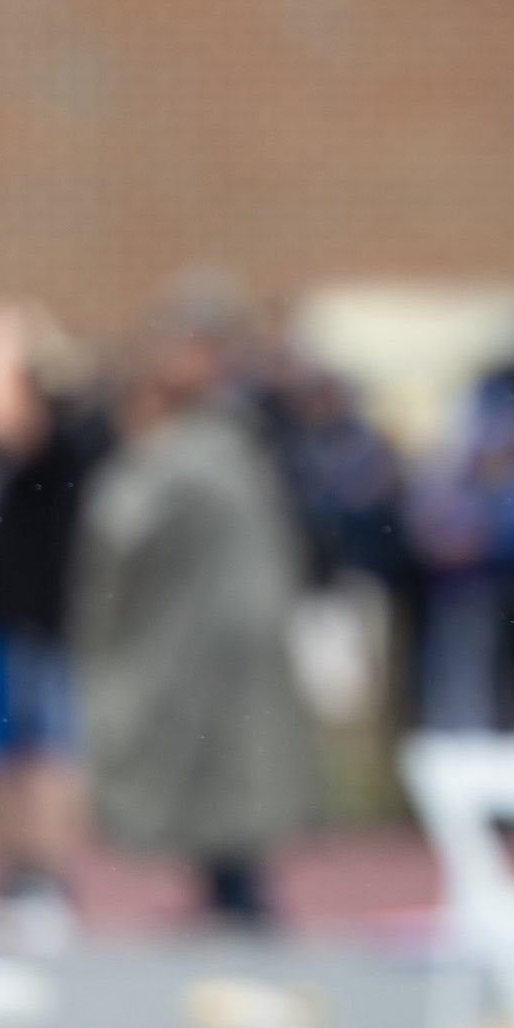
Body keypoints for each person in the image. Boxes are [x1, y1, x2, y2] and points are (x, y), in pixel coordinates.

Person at [72, 306, 316, 926]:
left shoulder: (181, 458)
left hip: (205, 643)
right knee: (233, 770)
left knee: (213, 768)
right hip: (239, 634)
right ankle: (231, 887)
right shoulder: (238, 447)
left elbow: (120, 529)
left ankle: (236, 894)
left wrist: (134, 458)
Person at [0, 301, 105, 930]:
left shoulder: (60, 433)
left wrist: (15, 369)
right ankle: (12, 875)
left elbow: (28, 425)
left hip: (44, 619)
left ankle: (48, 877)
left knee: (50, 753)